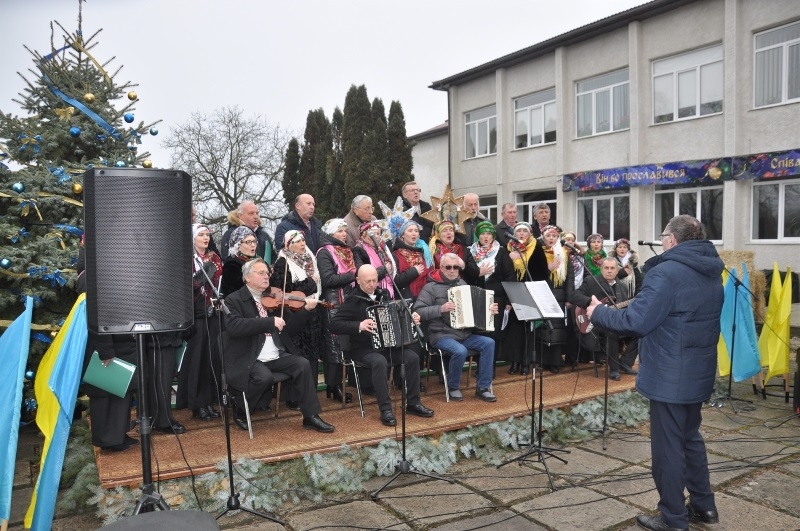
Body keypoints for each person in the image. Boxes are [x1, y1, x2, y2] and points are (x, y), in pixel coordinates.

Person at [587, 215, 722, 531]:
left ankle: (673, 517)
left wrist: (599, 312)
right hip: (697, 370)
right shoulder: (711, 269)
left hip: (670, 375)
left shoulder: (667, 273)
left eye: (663, 236)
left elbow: (636, 321)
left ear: (672, 239)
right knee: (690, 439)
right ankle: (704, 507)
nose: (662, 241)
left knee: (668, 448)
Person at [223, 258, 335, 433]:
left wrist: (306, 311)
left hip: (275, 354)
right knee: (264, 377)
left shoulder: (274, 296)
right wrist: (268, 322)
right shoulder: (234, 299)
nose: (266, 276)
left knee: (302, 364)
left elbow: (290, 329)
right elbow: (234, 327)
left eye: (267, 273)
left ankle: (310, 416)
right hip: (250, 355)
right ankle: (240, 408)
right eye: (261, 273)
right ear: (247, 277)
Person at [329, 264, 435, 426]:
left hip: (387, 346)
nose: (372, 284)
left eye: (375, 280)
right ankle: (385, 409)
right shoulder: (352, 300)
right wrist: (359, 325)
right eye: (368, 281)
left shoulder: (384, 294)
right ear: (358, 280)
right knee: (379, 362)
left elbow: (398, 313)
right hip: (362, 348)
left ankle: (413, 403)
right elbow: (334, 325)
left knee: (412, 357)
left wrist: (412, 317)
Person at [414, 253, 499, 402]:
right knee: (460, 351)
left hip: (463, 333)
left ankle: (483, 387)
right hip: (440, 334)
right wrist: (440, 308)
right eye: (448, 267)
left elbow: (473, 311)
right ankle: (453, 387)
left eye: (456, 267)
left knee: (489, 343)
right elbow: (418, 311)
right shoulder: (430, 287)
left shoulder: (463, 284)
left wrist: (489, 311)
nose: (452, 270)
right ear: (441, 267)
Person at [270, 230, 323, 406]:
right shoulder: (282, 263)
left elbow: (317, 284)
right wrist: (310, 283)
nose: (302, 244)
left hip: (312, 312)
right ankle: (294, 397)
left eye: (303, 240)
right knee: (299, 355)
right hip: (294, 315)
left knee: (313, 354)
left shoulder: (310, 259)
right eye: (297, 241)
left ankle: (310, 394)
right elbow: (284, 290)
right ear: (288, 245)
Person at [177, 224, 223, 421]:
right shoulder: (187, 259)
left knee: (210, 358)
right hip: (196, 313)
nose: (206, 238)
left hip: (212, 312)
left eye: (207, 235)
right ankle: (196, 404)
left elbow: (221, 282)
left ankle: (208, 401)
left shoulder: (214, 257)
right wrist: (198, 280)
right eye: (201, 235)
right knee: (197, 359)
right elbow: (183, 287)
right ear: (193, 238)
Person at [571, 256, 638, 378]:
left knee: (640, 330)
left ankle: (625, 363)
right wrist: (589, 302)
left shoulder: (622, 286)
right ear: (601, 270)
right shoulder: (591, 281)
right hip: (596, 323)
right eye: (606, 268)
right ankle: (614, 369)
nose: (609, 270)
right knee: (611, 330)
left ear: (617, 271)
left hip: (617, 320)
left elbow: (625, 308)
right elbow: (574, 296)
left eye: (612, 268)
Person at [316, 218, 357, 403]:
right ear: (331, 233)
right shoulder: (324, 252)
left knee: (346, 345)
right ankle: (334, 386)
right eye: (340, 231)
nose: (344, 234)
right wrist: (353, 275)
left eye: (345, 231)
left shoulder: (347, 251)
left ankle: (339, 384)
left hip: (348, 301)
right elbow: (328, 279)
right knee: (334, 346)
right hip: (333, 304)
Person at [465, 221, 516, 366]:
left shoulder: (500, 252)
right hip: (476, 297)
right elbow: (467, 274)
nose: (486, 237)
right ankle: (477, 365)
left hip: (496, 299)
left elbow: (510, 277)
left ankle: (489, 367)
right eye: (482, 234)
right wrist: (478, 273)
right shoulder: (470, 251)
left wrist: (508, 301)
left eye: (489, 234)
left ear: (493, 236)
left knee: (493, 334)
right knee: (477, 332)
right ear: (477, 236)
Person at [505, 222, 549, 374]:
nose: (521, 234)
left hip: (530, 292)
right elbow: (503, 270)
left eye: (524, 231)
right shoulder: (508, 248)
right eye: (519, 231)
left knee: (529, 331)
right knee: (515, 331)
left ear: (530, 234)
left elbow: (543, 272)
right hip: (513, 292)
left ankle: (526, 362)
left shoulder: (536, 248)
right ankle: (515, 361)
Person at [536, 225, 574, 373]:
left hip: (559, 296)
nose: (551, 239)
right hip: (542, 294)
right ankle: (541, 361)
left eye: (554, 236)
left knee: (557, 329)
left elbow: (569, 278)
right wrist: (547, 269)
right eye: (548, 236)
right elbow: (534, 274)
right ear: (543, 238)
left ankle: (555, 361)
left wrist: (569, 297)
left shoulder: (564, 254)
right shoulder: (537, 253)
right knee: (542, 328)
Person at [392, 220, 434, 300]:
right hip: (407, 299)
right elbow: (395, 281)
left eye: (416, 231)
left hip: (426, 297)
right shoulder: (396, 255)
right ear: (403, 235)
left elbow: (431, 274)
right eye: (410, 231)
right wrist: (413, 272)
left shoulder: (424, 253)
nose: (414, 233)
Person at [353, 221, 396, 298]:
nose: (376, 236)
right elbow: (363, 275)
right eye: (372, 234)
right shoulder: (359, 250)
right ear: (363, 236)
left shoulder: (382, 249)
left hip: (388, 288)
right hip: (370, 291)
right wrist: (384, 269)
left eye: (378, 234)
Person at [220, 226, 257, 297]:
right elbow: (238, 291)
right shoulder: (231, 266)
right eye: (248, 242)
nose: (253, 245)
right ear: (238, 245)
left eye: (254, 241)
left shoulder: (257, 261)